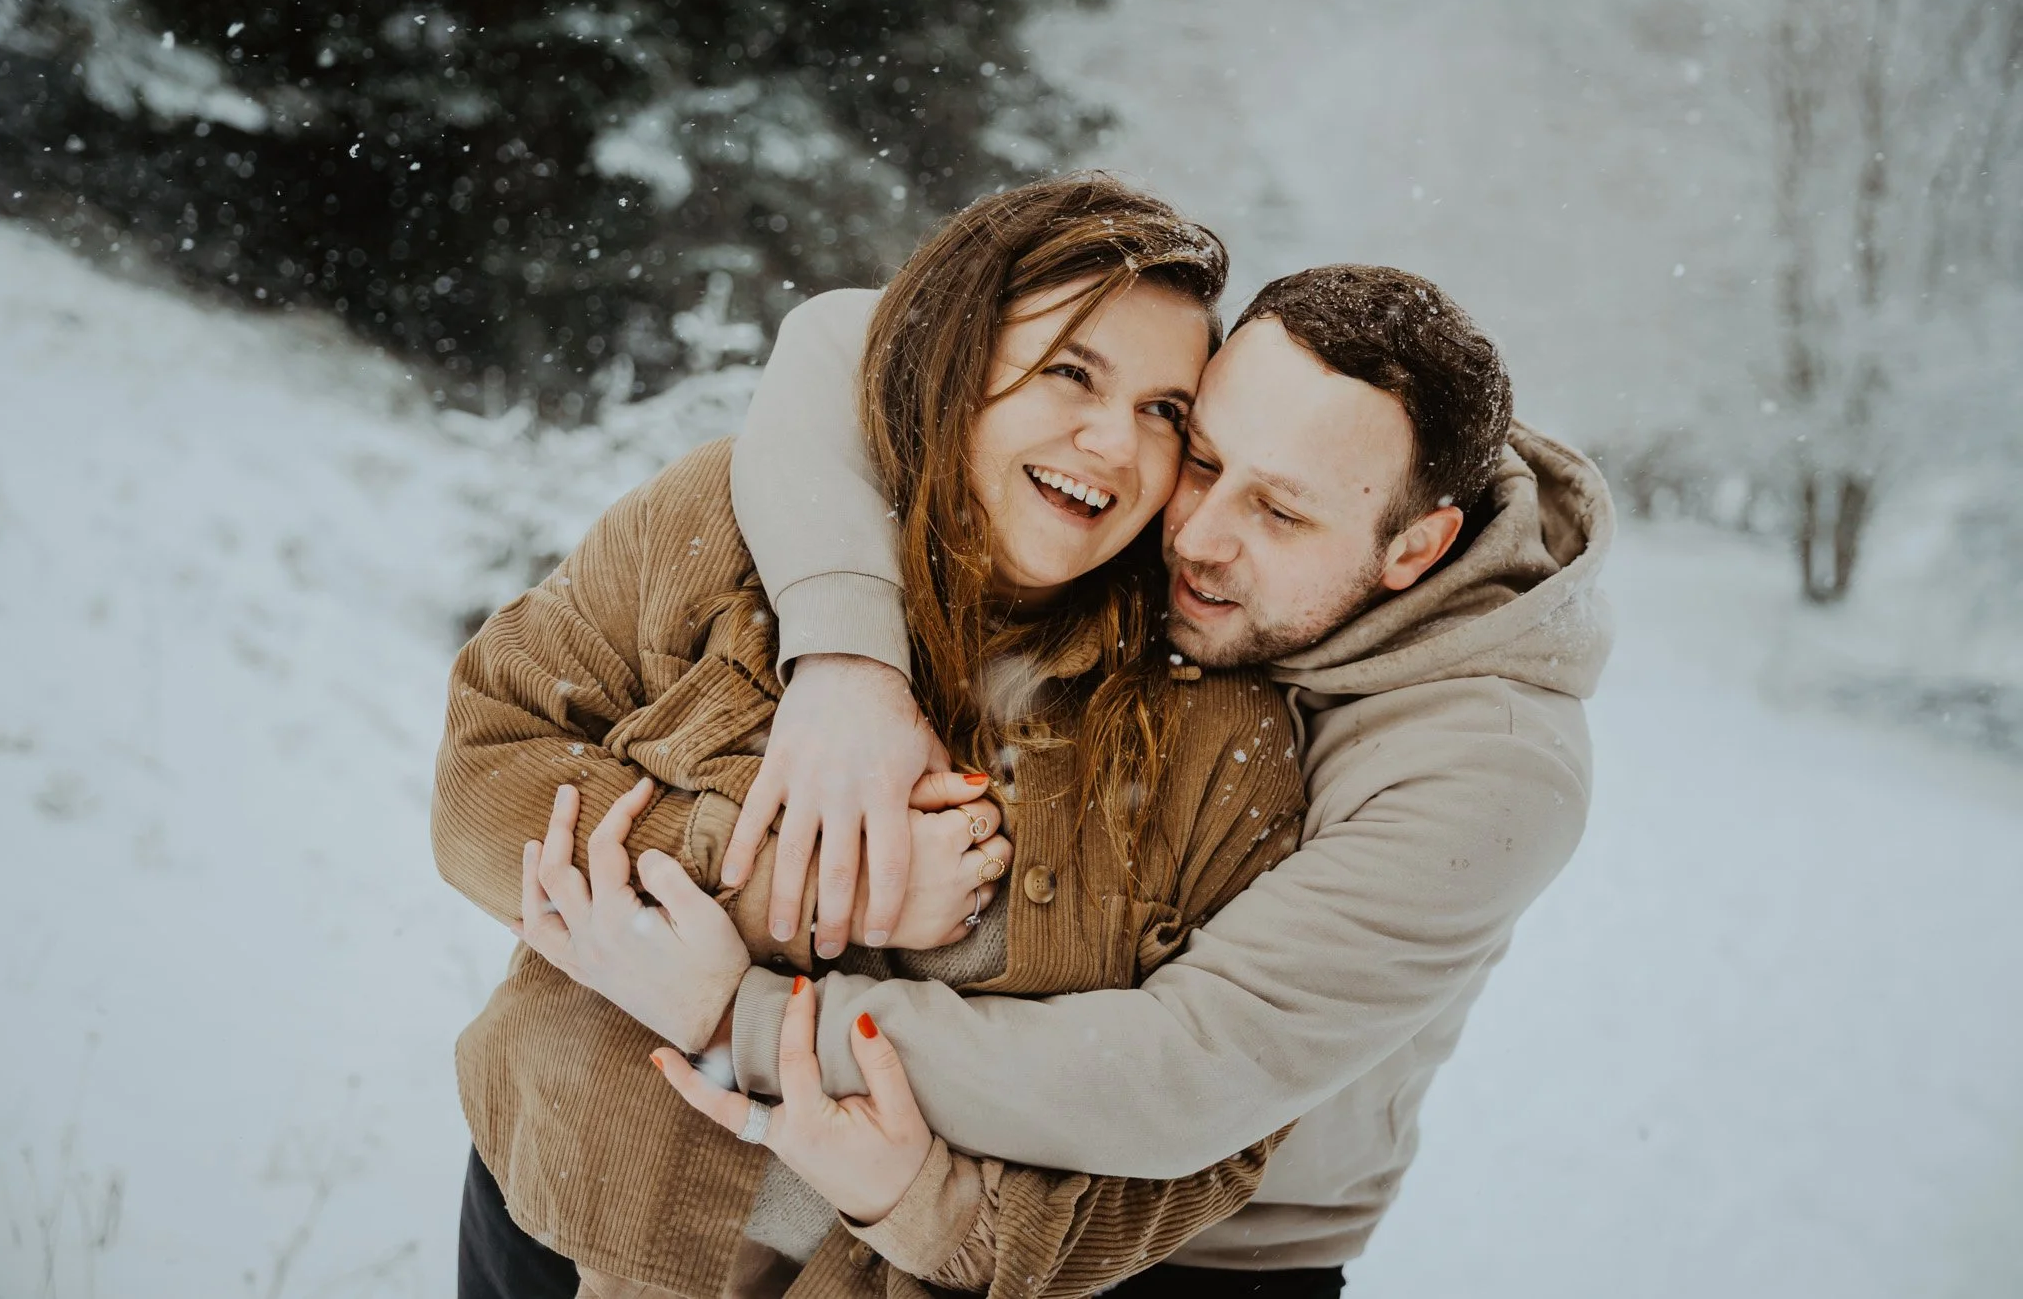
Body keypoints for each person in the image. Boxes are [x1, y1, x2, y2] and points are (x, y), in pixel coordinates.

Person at [635, 255, 1615, 1297]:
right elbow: (846, 342)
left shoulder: (1492, 765)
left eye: (1278, 514)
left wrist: (742, 1016)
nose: (1192, 536)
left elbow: (1176, 1077)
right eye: (1198, 460)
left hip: (1199, 1257)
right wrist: (845, 661)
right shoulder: (1221, 521)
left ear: (1414, 548)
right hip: (893, 1169)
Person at [430, 174, 1311, 1299]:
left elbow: (1214, 1136)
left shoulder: (1216, 726)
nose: (1109, 442)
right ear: (958, 361)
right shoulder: (721, 524)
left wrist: (929, 1205)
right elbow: (483, 772)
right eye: (1069, 373)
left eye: (1163, 412)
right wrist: (789, 886)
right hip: (560, 1208)